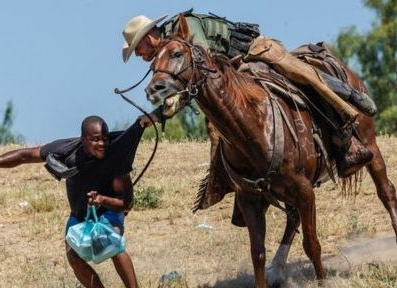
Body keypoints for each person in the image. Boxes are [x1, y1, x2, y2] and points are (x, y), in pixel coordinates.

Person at [121, 10, 377, 178]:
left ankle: (346, 125)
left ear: (149, 37)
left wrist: (167, 106)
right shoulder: (166, 57)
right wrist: (159, 113)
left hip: (252, 53)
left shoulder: (183, 29)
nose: (140, 55)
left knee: (301, 77)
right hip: (230, 75)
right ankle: (227, 179)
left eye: (139, 48)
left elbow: (203, 66)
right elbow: (189, 86)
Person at [0, 113, 157, 288]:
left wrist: (102, 199)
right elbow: (24, 156)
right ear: (83, 139)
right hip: (79, 216)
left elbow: (127, 204)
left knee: (111, 243)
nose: (101, 143)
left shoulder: (116, 157)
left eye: (104, 138)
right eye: (95, 139)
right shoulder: (66, 150)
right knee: (74, 259)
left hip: (109, 211)